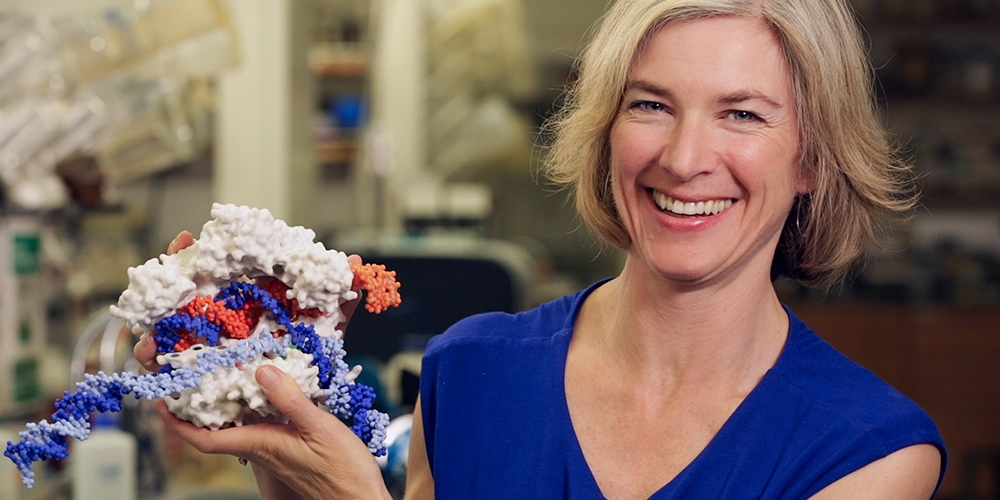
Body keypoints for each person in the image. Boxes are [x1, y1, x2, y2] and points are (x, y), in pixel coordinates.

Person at [135, 0, 947, 498]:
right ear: (605, 131)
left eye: (743, 114)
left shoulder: (867, 452)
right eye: (652, 104)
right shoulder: (470, 372)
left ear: (811, 157)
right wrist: (281, 425)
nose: (684, 157)